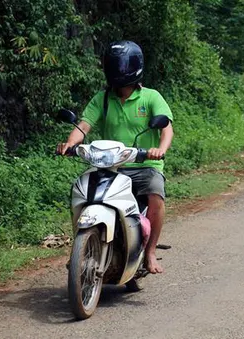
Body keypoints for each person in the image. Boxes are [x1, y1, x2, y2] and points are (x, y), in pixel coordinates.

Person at [57, 40, 174, 274]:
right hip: (111, 166)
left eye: (123, 65)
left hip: (144, 164)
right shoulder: (102, 98)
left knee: (155, 196)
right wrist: (70, 144)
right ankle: (81, 248)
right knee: (81, 191)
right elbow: (83, 126)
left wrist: (159, 149)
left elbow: (166, 128)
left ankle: (149, 252)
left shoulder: (151, 97)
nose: (120, 70)